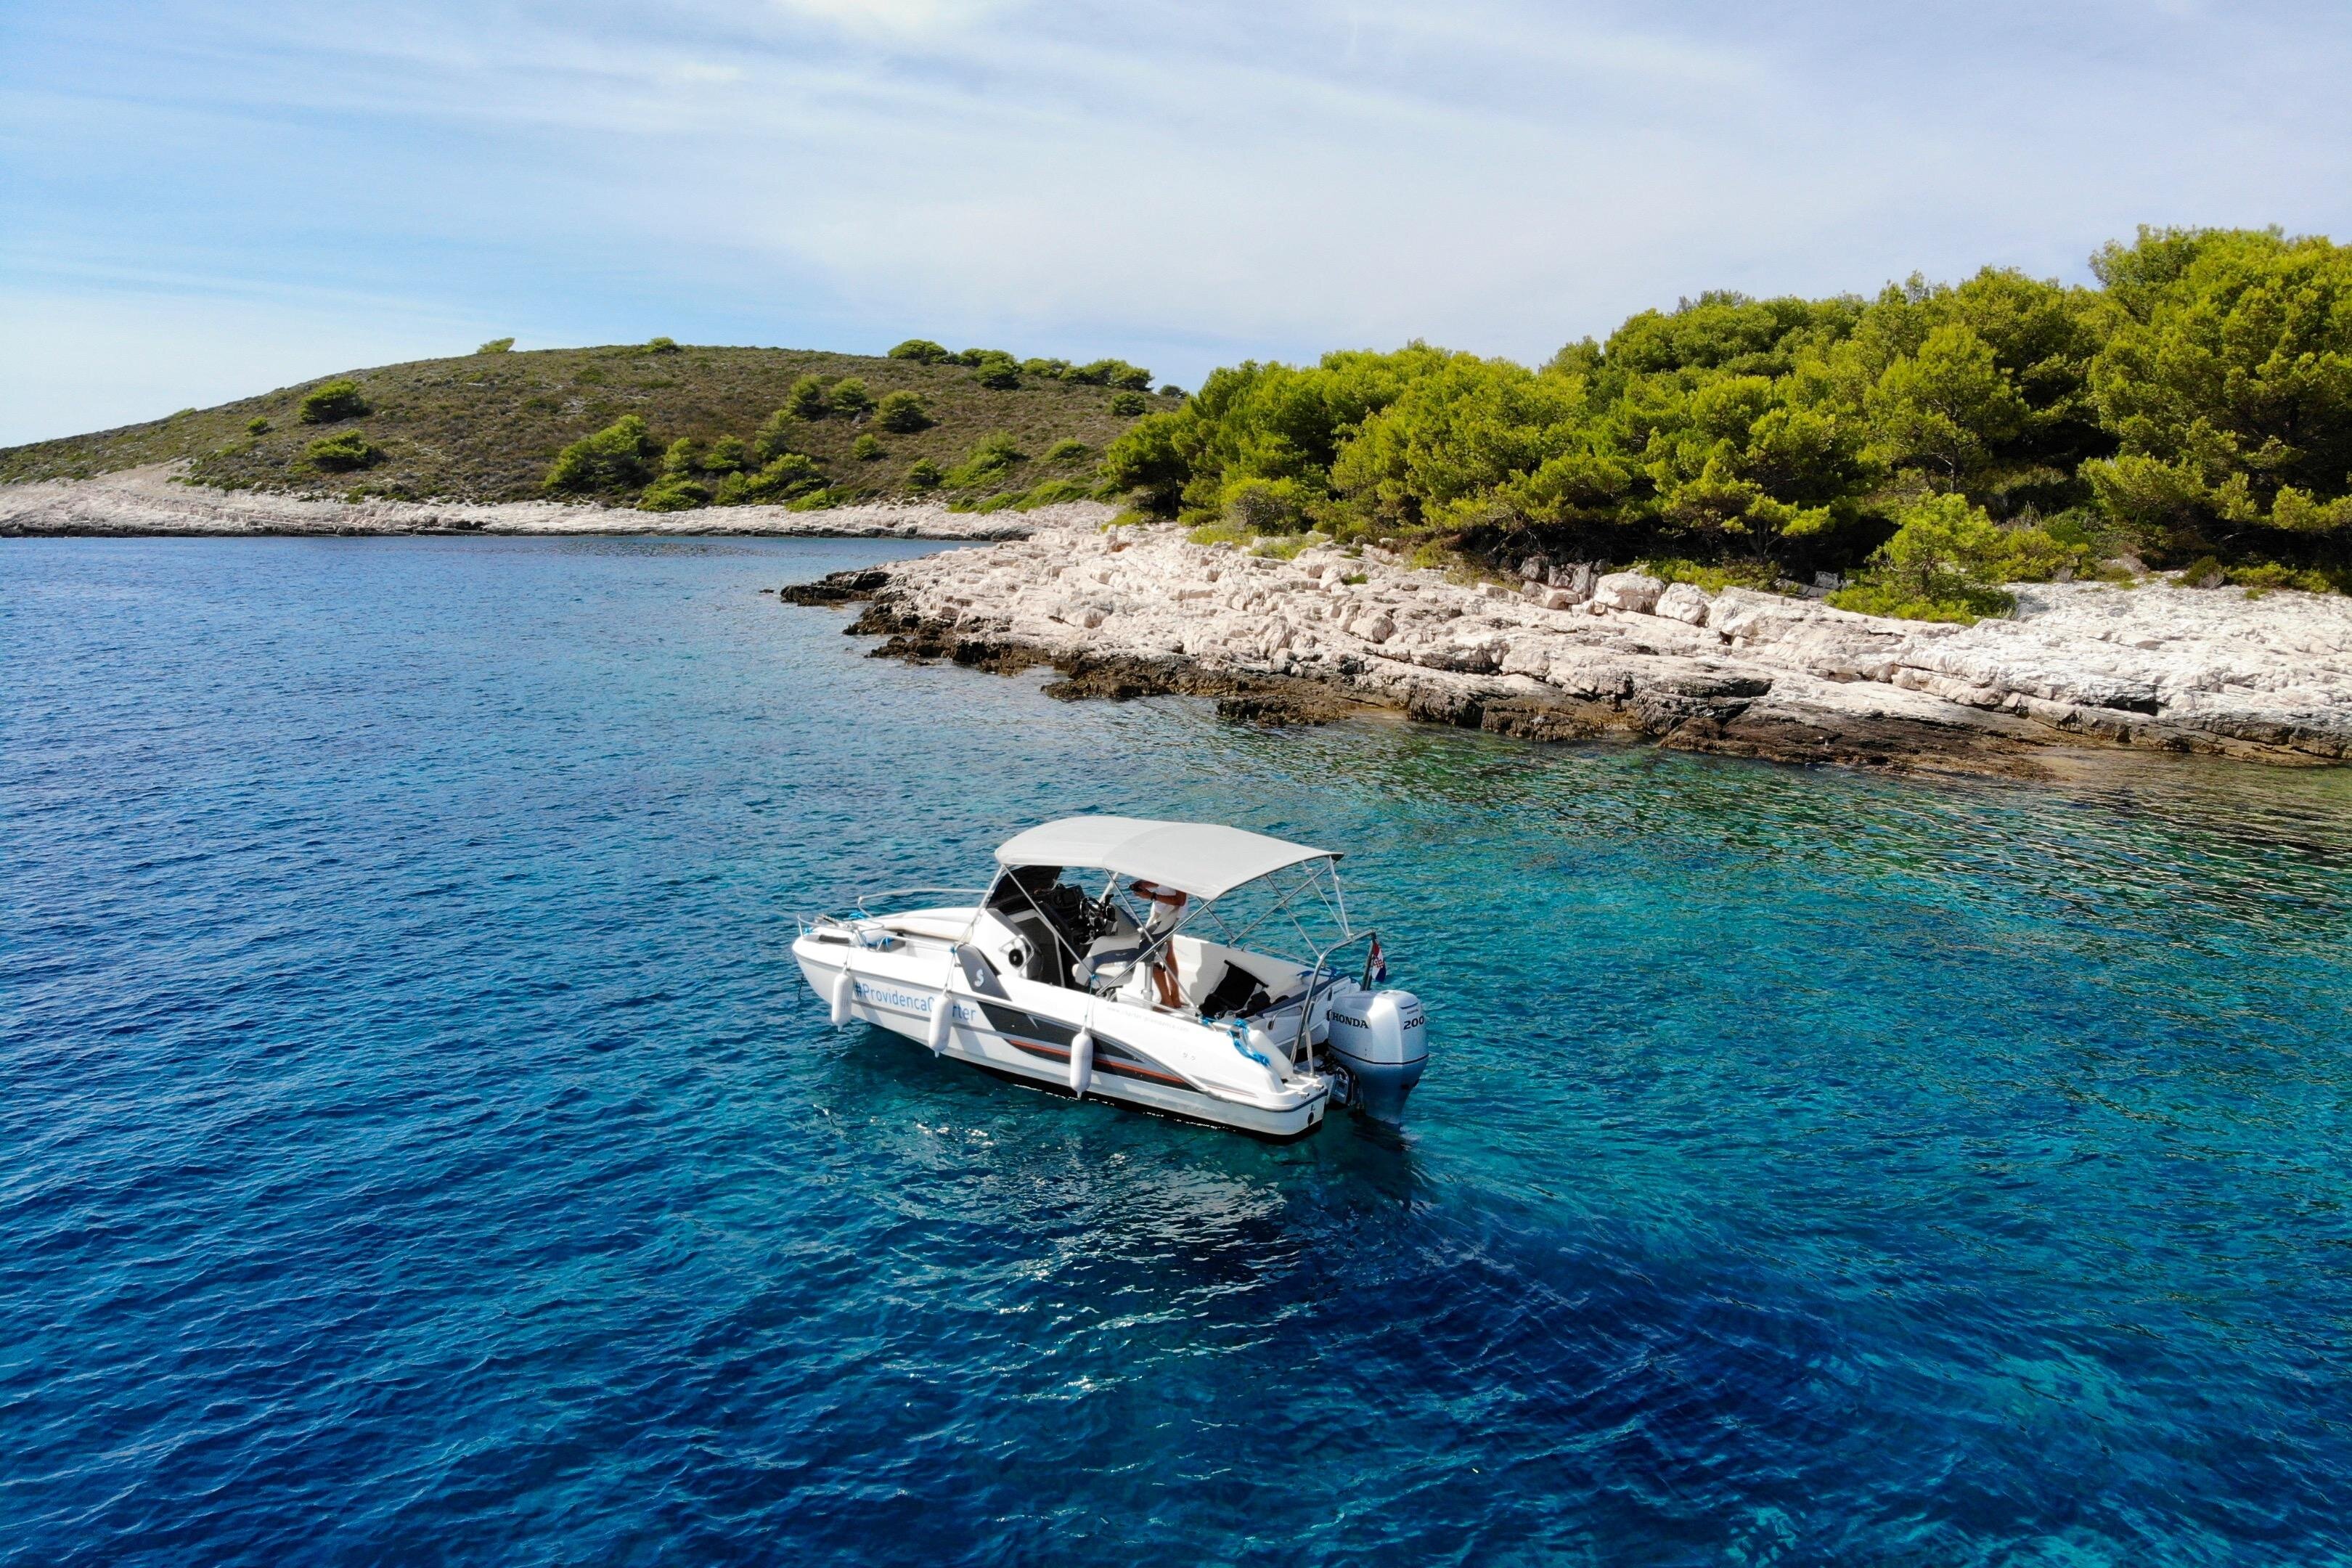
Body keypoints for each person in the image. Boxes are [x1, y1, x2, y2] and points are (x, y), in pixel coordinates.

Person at [1130, 879, 1188, 1008]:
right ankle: (1175, 999)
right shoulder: (1175, 869)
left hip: (1166, 913)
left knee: (1151, 954)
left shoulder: (1177, 871)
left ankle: (1167, 1001)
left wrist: (1151, 896)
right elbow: (1167, 883)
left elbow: (1180, 900)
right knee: (1168, 954)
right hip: (1168, 912)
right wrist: (1145, 884)